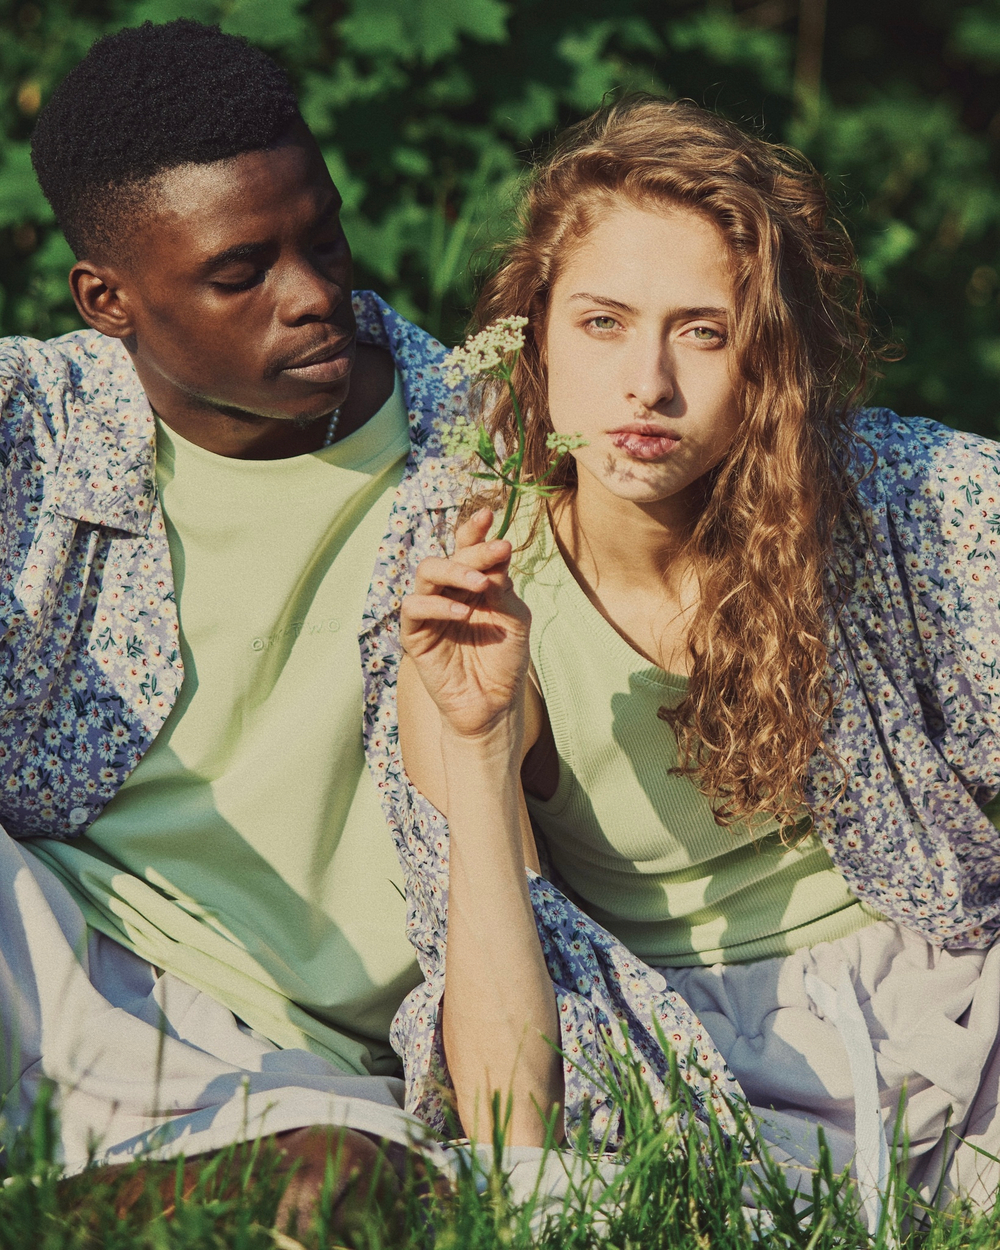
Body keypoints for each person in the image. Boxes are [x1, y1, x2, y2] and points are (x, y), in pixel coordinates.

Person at [379, 95, 1000, 1220]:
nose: (647, 385)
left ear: (764, 358)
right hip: (676, 1056)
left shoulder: (895, 502)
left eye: (701, 331)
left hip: (946, 1002)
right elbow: (509, 1116)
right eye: (603, 322)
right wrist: (473, 744)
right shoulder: (476, 574)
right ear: (533, 333)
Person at [0, 16, 463, 1220]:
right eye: (240, 270)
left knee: (344, 1188)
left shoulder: (492, 441)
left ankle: (69, 1206)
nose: (315, 296)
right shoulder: (33, 427)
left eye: (324, 238)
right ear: (108, 299)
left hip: (309, 1061)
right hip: (49, 957)